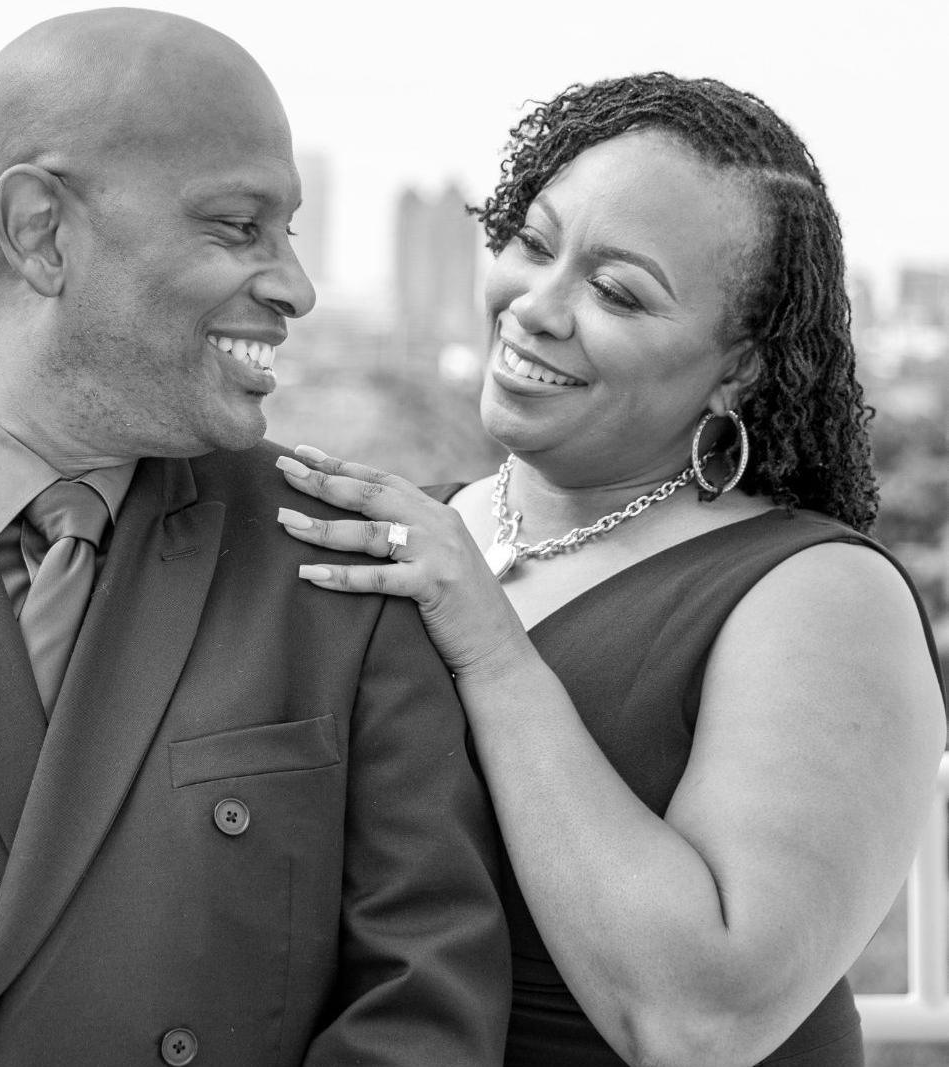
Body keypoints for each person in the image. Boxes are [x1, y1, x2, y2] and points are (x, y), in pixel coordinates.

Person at [276, 74, 948, 1066]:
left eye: (617, 292)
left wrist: (494, 654)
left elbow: (700, 1023)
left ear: (738, 367)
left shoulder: (822, 596)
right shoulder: (434, 527)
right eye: (533, 243)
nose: (536, 307)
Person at [0, 10, 511, 1066]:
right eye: (237, 226)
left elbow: (424, 1004)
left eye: (289, 231)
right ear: (41, 232)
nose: (296, 287)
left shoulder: (338, 572)